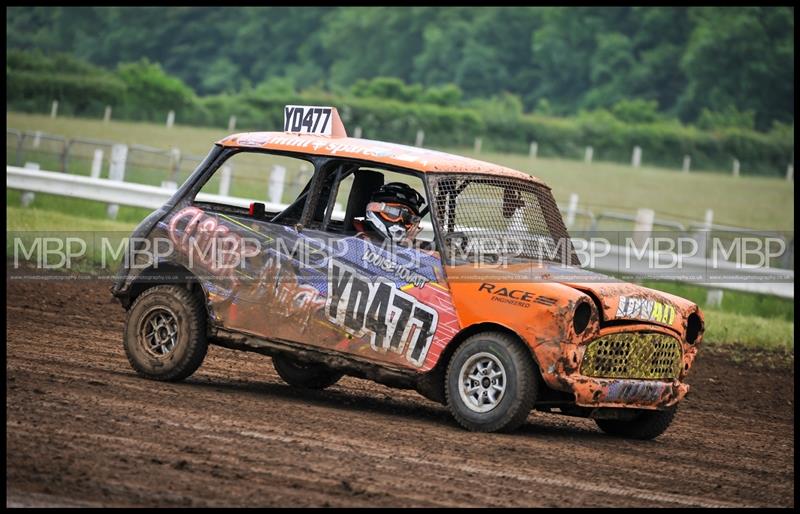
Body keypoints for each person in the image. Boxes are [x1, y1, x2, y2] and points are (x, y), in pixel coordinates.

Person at [353, 182, 426, 247]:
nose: (400, 221)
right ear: (375, 209)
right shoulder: (354, 239)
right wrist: (403, 248)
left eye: (407, 217)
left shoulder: (408, 244)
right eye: (394, 214)